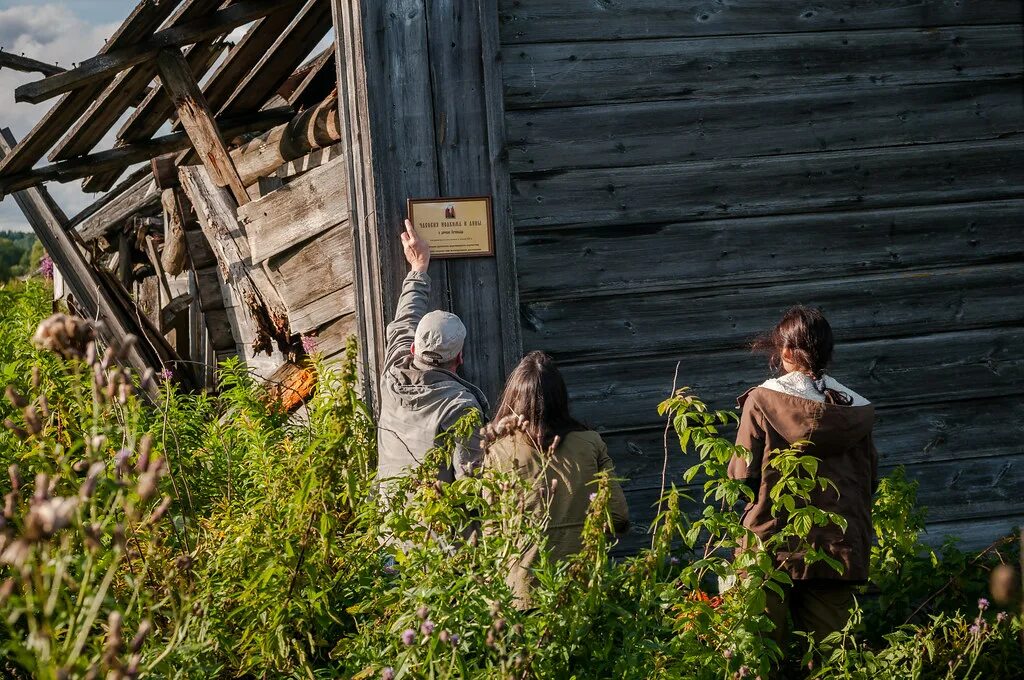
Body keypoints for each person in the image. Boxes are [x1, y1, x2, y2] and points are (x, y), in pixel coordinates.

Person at [728, 306, 878, 649]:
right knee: (832, 658)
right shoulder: (855, 409)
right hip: (836, 547)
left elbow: (741, 476)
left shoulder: (763, 400)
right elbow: (870, 480)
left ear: (785, 352)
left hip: (770, 544)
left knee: (758, 655)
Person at [482, 351, 629, 608]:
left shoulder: (499, 453)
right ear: (560, 398)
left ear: (514, 399)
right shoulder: (591, 443)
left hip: (521, 594)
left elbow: (491, 536)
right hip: (583, 589)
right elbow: (618, 517)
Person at [376, 220, 488, 488]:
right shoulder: (459, 407)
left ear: (414, 348)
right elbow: (470, 483)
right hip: (434, 528)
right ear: (460, 358)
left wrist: (419, 267)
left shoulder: (393, 371)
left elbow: (406, 319)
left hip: (389, 524)